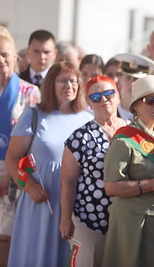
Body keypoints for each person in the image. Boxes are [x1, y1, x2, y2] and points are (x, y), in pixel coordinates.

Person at [5, 61, 93, 267]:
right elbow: (12, 159)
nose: (68, 85)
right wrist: (30, 186)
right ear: (50, 84)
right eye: (62, 80)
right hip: (41, 203)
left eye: (73, 80)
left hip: (77, 206)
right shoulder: (33, 115)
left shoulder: (88, 118)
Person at [102, 75, 154, 267]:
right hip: (133, 222)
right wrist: (150, 185)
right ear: (136, 105)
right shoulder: (123, 139)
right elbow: (111, 187)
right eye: (151, 100)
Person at [60, 75, 126, 267]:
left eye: (108, 93)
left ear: (118, 95)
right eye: (96, 97)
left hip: (126, 222)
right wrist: (65, 219)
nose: (104, 99)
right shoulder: (79, 137)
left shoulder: (132, 130)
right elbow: (68, 181)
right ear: (88, 102)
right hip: (90, 220)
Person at [0, 32, 40, 267]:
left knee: (7, 241)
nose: (0, 60)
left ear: (15, 56)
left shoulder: (31, 93)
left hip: (16, 179)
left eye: (4, 54)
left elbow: (35, 141)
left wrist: (10, 175)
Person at [113, 53, 154, 121]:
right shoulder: (111, 112)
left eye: (136, 79)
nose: (132, 84)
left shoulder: (151, 114)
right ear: (120, 79)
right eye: (128, 78)